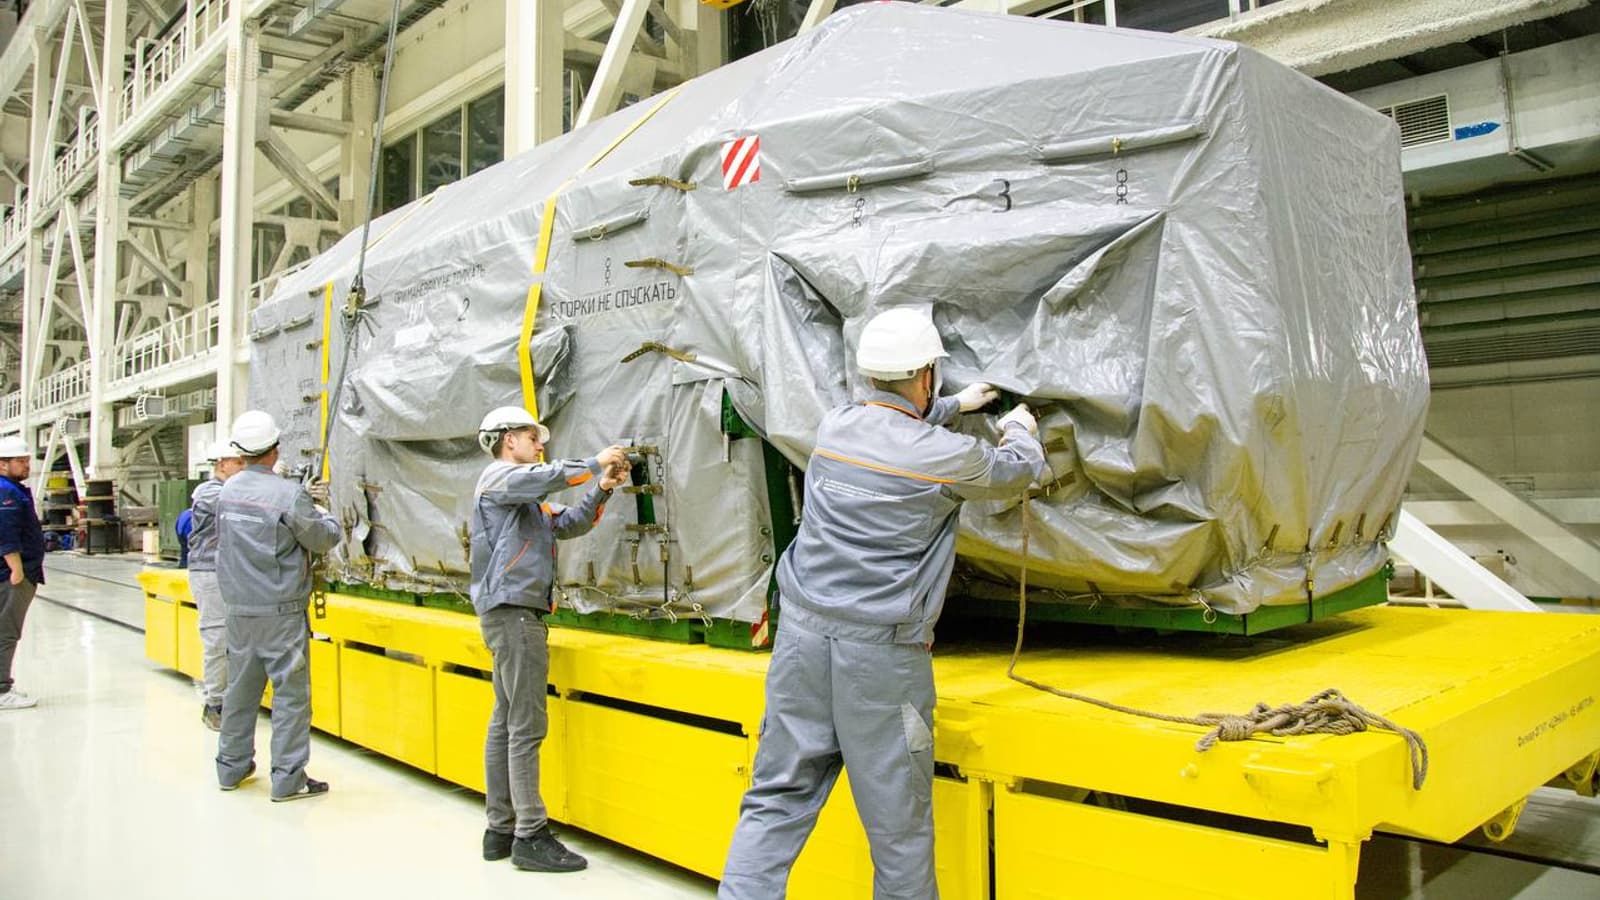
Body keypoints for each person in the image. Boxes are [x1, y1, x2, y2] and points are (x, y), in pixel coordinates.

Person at [719, 308, 1046, 899]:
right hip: (880, 662)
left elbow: (893, 426)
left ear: (872, 374)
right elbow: (1016, 471)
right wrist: (1018, 426)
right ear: (926, 374)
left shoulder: (836, 426)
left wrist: (956, 404)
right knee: (898, 827)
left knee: (775, 800)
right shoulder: (946, 457)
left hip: (801, 644)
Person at [471, 406, 630, 872]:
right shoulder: (501, 479)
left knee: (505, 720)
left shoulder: (522, 499)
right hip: (515, 614)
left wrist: (602, 488)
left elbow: (569, 523)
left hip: (510, 613)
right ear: (507, 440)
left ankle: (500, 829)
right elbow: (552, 476)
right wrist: (596, 462)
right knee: (526, 725)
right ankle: (530, 835)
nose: (540, 444)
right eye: (531, 436)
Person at [214, 411, 340, 800]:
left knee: (240, 692)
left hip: (239, 610)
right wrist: (322, 513)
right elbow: (321, 539)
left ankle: (230, 768)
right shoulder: (288, 495)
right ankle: (288, 778)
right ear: (274, 450)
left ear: (241, 452)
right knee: (290, 697)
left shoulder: (227, 492)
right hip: (281, 613)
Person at [189, 440, 246, 731]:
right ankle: (214, 705)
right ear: (222, 464)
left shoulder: (233, 490)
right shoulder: (210, 492)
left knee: (235, 640)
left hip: (231, 572)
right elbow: (240, 503)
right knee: (217, 638)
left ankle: (231, 699)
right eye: (239, 462)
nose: (244, 467)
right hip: (209, 573)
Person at [0, 435, 43, 711]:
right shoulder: (6, 492)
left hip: (14, 571)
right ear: (2, 464)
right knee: (6, 631)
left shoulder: (12, 489)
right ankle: (1, 691)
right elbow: (5, 532)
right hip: (12, 574)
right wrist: (16, 568)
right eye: (21, 461)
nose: (27, 465)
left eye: (27, 460)